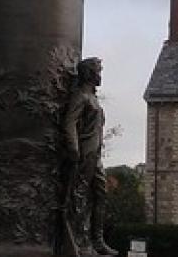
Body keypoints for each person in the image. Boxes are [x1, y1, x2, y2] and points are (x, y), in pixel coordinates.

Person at [63, 58, 117, 256]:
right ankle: (77, 239)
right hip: (85, 153)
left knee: (100, 195)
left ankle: (97, 241)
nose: (100, 74)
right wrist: (74, 149)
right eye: (97, 71)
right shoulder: (81, 97)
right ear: (89, 74)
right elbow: (69, 122)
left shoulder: (93, 99)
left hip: (96, 155)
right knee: (79, 196)